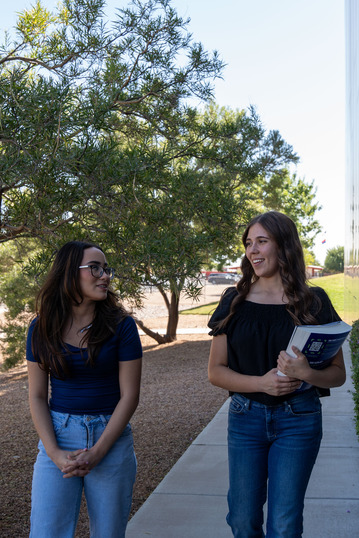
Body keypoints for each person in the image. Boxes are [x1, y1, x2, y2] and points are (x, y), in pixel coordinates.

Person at [207, 211, 346, 538]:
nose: (252, 250)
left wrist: (306, 372)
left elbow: (338, 374)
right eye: (248, 243)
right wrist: (261, 384)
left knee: (283, 525)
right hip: (245, 419)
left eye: (261, 242)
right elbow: (215, 372)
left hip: (299, 419)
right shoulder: (234, 301)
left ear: (284, 246)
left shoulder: (314, 302)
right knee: (242, 520)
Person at [26, 241, 142, 538]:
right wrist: (53, 452)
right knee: (46, 532)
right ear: (68, 273)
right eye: (95, 268)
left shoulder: (122, 326)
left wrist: (99, 450)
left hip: (111, 439)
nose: (105, 275)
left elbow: (129, 396)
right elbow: (37, 396)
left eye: (106, 269)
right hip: (58, 435)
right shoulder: (40, 328)